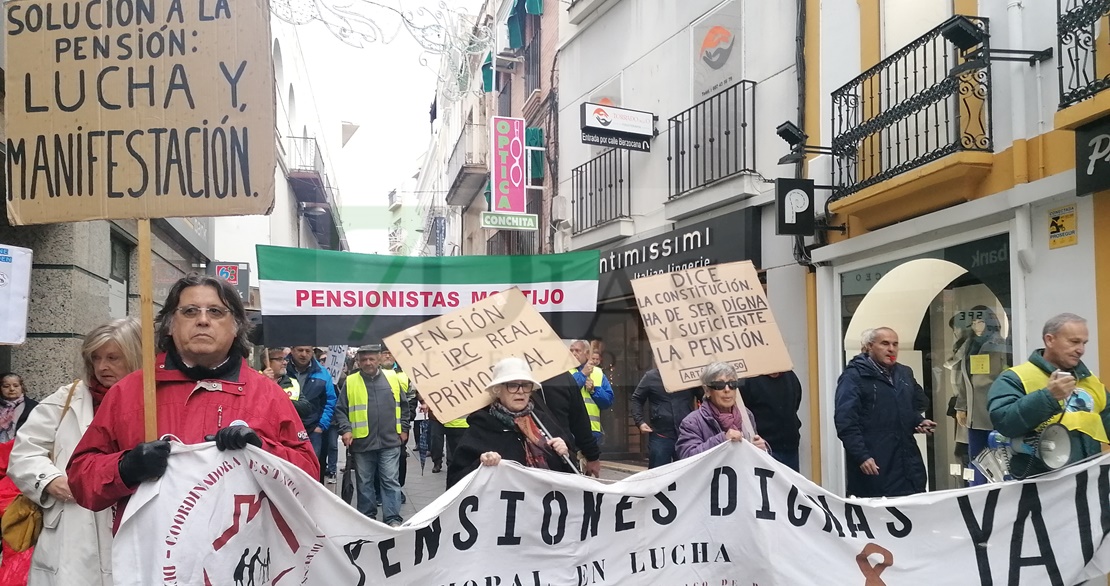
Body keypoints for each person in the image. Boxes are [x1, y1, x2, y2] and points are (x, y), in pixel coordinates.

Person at [67, 274, 319, 533]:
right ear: (169, 325)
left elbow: (308, 480)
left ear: (235, 327)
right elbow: (80, 479)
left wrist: (263, 452)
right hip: (151, 562)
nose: (202, 320)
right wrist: (125, 468)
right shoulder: (129, 392)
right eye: (189, 311)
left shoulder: (268, 396)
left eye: (216, 311)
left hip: (239, 561)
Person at [9, 318, 141, 586]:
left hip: (130, 524)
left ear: (135, 355)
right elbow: (25, 452)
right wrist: (49, 481)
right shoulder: (68, 398)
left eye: (113, 358)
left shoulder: (152, 400)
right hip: (70, 532)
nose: (102, 367)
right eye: (96, 358)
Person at [988, 313, 1110, 479]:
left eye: (1084, 343)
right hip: (1040, 486)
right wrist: (1048, 397)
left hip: (1086, 484)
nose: (1081, 350)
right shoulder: (1015, 377)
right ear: (1050, 340)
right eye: (1074, 342)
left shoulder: (1090, 381)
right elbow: (1004, 422)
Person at [834, 327, 935, 498]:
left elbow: (916, 403)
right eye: (885, 344)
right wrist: (862, 456)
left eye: (895, 344)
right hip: (876, 465)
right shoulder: (854, 377)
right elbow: (846, 421)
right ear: (869, 347)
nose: (891, 349)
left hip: (909, 465)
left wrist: (917, 421)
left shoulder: (904, 373)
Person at [447, 357, 574, 488]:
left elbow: (570, 475)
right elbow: (454, 483)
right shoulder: (481, 428)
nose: (520, 391)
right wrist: (480, 465)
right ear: (497, 390)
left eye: (525, 385)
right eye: (512, 385)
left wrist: (565, 454)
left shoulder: (544, 422)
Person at [333, 344, 411, 526]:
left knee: (390, 480)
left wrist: (404, 429)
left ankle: (392, 518)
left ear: (379, 360)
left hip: (390, 440)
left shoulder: (392, 378)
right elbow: (340, 410)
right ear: (358, 362)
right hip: (362, 443)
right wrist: (345, 429)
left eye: (371, 359)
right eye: (364, 360)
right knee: (364, 482)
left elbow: (404, 406)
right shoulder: (351, 382)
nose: (368, 363)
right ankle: (367, 518)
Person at [952, 306, 1009, 485]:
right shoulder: (969, 345)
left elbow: (1000, 378)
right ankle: (976, 491)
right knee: (975, 456)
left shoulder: (999, 345)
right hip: (973, 412)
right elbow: (965, 379)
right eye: (974, 322)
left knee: (998, 456)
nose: (977, 326)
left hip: (993, 408)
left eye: (981, 321)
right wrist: (961, 406)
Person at [676, 362, 768, 458]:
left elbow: (757, 455)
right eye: (719, 385)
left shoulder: (746, 414)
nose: (727, 389)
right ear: (707, 390)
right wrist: (722, 440)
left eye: (732, 384)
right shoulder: (692, 422)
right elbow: (687, 458)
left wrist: (763, 449)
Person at [533, 370, 602, 476]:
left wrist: (592, 454)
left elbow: (580, 421)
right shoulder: (563, 376)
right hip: (559, 460)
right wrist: (592, 456)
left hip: (562, 456)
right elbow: (580, 421)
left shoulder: (563, 377)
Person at [631, 368, 702, 468]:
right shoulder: (651, 377)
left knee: (686, 473)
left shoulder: (687, 376)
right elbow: (637, 399)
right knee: (658, 475)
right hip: (661, 434)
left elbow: (704, 397)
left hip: (686, 434)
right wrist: (640, 422)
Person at [286, 345, 338, 481]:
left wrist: (321, 425)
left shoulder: (322, 373)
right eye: (300, 350)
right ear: (292, 350)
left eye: (308, 351)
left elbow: (330, 400)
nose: (304, 354)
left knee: (311, 469)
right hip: (286, 428)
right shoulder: (281, 368)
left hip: (312, 429)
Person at [740, 371, 804, 471]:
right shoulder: (749, 379)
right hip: (763, 448)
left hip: (790, 448)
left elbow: (795, 404)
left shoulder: (790, 376)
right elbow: (744, 414)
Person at [568, 340, 614, 445]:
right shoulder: (565, 371)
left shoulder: (598, 372)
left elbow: (608, 401)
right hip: (571, 429)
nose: (574, 353)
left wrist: (594, 391)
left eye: (577, 351)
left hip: (592, 430)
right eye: (571, 351)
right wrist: (583, 374)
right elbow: (566, 392)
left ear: (587, 353)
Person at [0, 374, 38, 443]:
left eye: (16, 386)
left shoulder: (33, 407)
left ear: (22, 387)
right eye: (6, 386)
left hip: (22, 448)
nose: (12, 389)